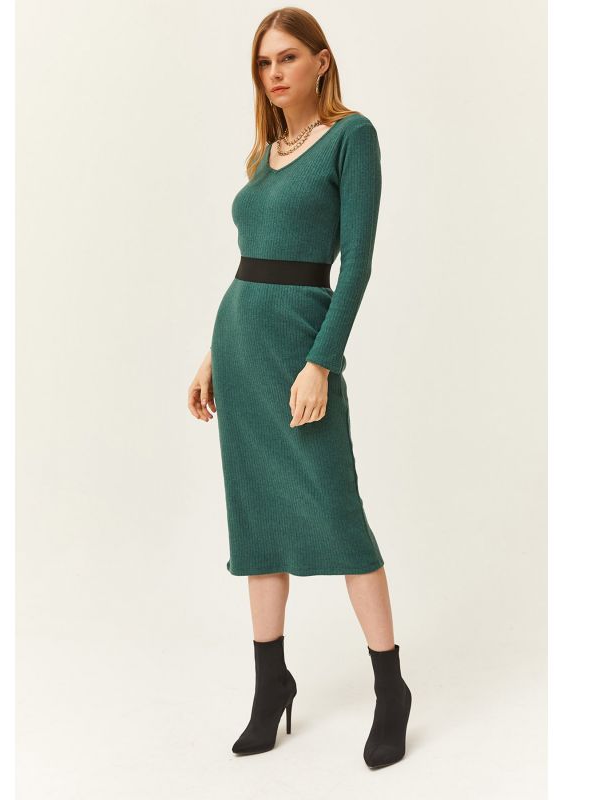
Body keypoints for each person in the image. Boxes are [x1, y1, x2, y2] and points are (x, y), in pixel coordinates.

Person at [187, 8, 412, 768]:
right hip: (240, 344)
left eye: (287, 57)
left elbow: (358, 264)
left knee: (339, 516)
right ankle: (270, 685)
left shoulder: (352, 138)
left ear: (321, 61)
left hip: (300, 347)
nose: (274, 73)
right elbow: (250, 263)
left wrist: (322, 361)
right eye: (263, 62)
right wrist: (211, 356)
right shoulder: (265, 154)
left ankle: (391, 689)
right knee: (255, 519)